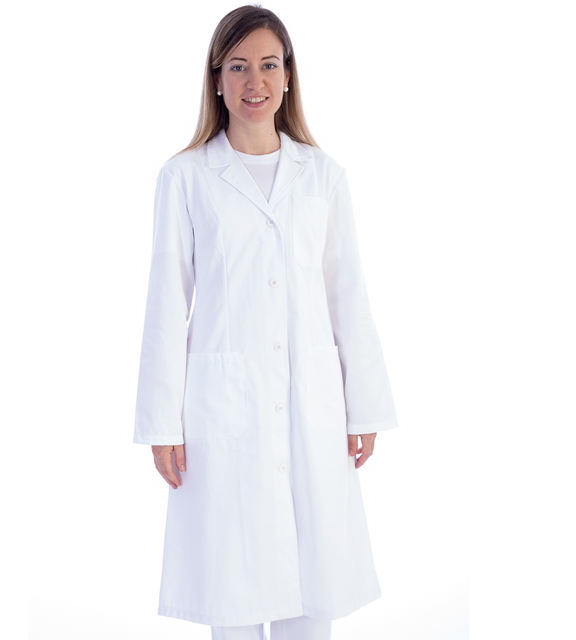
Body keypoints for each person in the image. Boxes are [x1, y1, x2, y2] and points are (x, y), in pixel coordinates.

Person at [133, 5, 399, 639]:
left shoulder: (323, 176)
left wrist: (364, 406)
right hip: (223, 413)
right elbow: (166, 304)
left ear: (288, 76)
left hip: (313, 406)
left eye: (269, 65)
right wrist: (161, 423)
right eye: (239, 67)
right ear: (217, 79)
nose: (255, 81)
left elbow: (348, 294)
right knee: (232, 589)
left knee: (314, 585)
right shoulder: (185, 178)